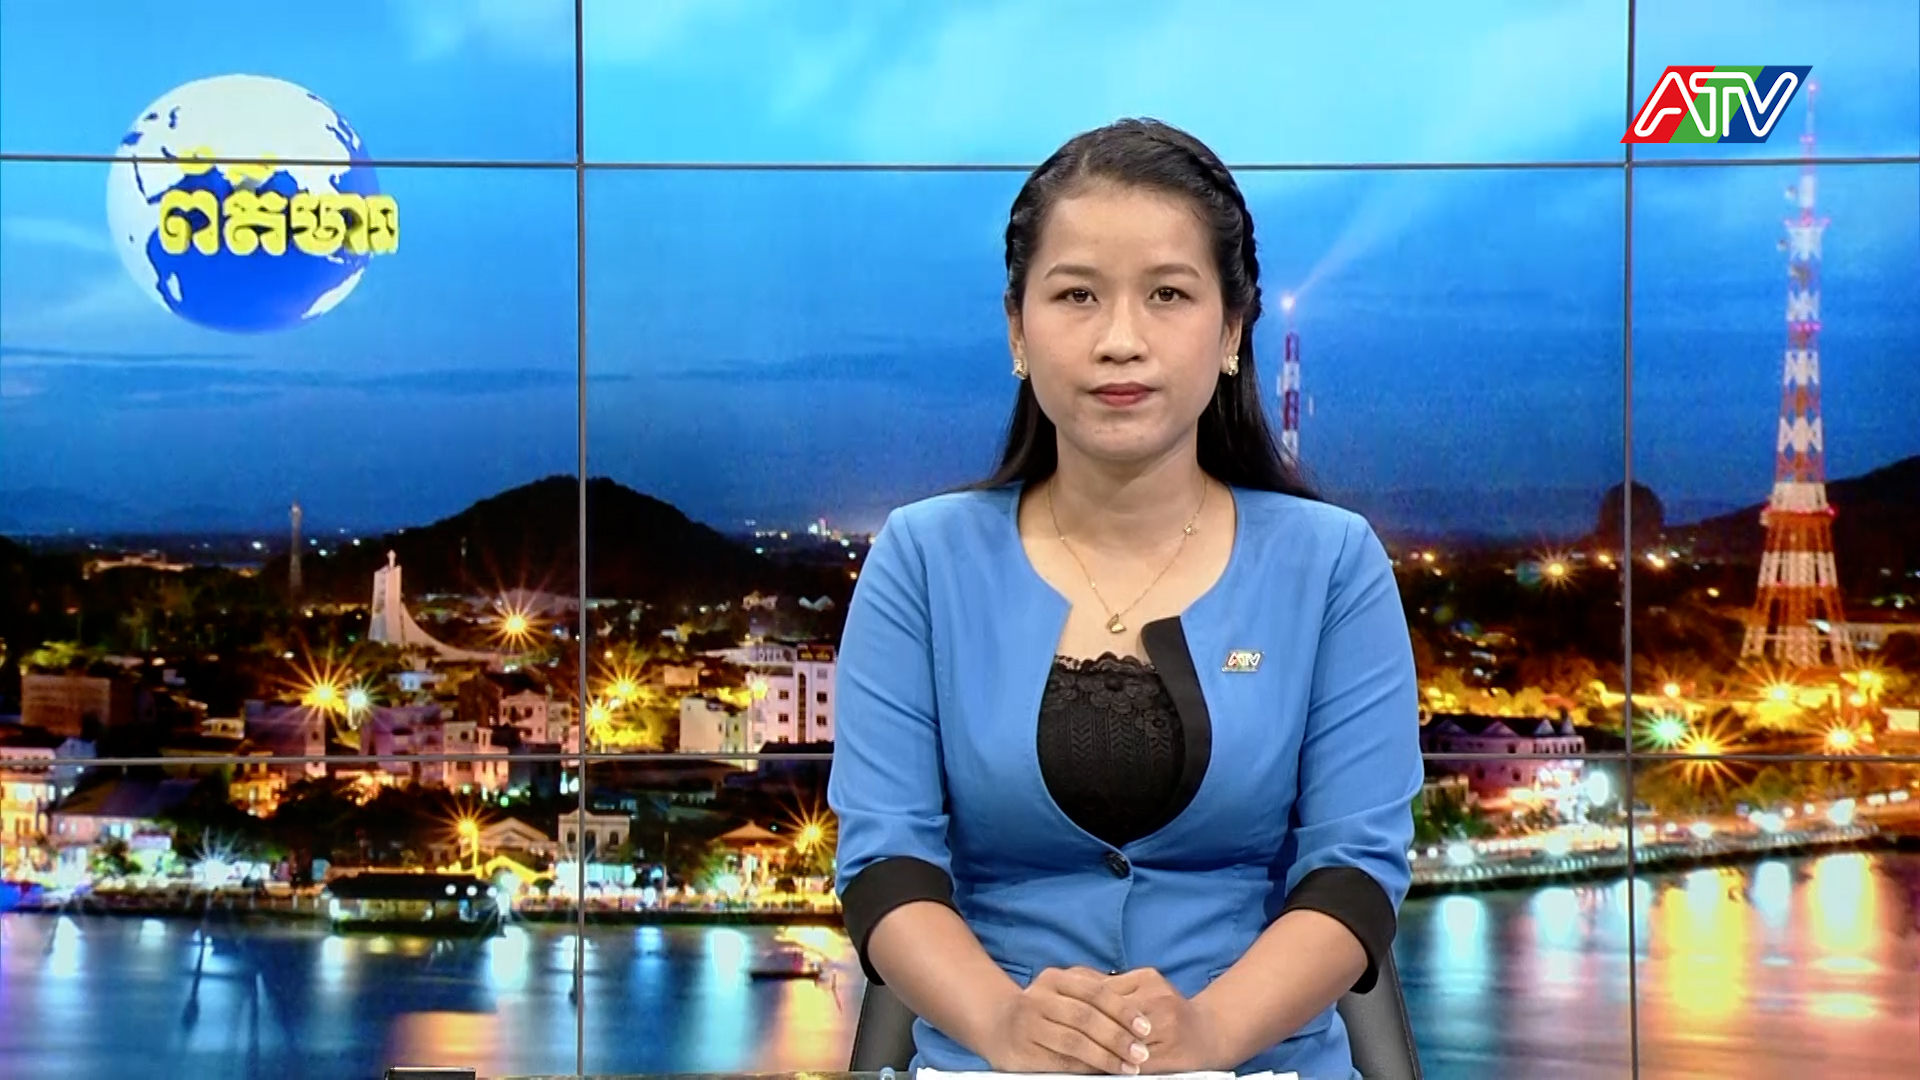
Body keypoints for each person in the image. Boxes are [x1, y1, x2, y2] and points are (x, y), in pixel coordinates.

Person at [828, 117, 1423, 1078]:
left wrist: (1209, 1033)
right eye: (1076, 295)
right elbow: (885, 864)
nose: (1120, 341)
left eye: (1168, 295)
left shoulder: (1333, 565)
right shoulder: (921, 561)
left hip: (1256, 1065)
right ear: (1017, 328)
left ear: (1231, 331)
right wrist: (1008, 1026)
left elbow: (1354, 870)